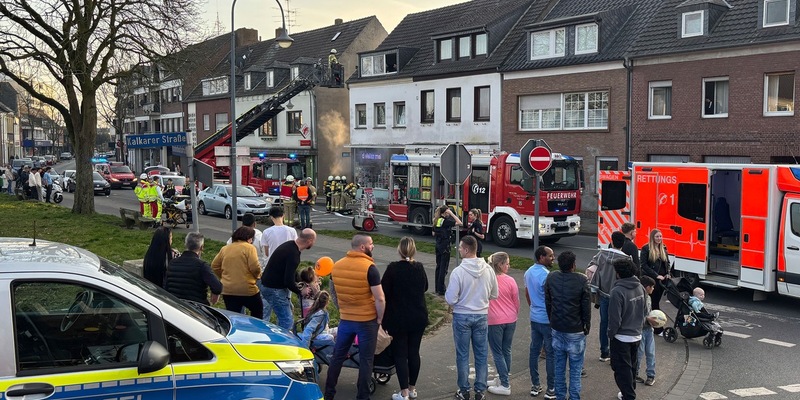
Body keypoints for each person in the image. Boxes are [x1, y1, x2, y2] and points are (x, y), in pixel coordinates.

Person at [325, 233, 386, 400]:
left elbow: (334, 292)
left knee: (337, 356)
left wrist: (342, 309)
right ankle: (362, 396)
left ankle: (329, 393)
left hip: (346, 320)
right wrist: (379, 318)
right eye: (371, 244)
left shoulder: (336, 266)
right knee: (366, 361)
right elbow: (380, 298)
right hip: (366, 321)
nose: (373, 246)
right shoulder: (370, 268)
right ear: (362, 247)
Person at [445, 235, 498, 400]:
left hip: (462, 315)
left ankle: (464, 389)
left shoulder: (458, 272)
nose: (458, 250)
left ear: (466, 250)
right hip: (481, 315)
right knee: (481, 354)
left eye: (460, 247)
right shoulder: (488, 270)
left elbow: (450, 299)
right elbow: (494, 294)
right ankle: (480, 390)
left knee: (462, 354)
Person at [382, 237, 429, 400]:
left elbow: (383, 291)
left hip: (398, 317)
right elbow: (425, 287)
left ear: (399, 250)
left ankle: (403, 393)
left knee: (400, 354)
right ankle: (412, 388)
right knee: (413, 353)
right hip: (418, 315)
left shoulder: (393, 269)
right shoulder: (419, 268)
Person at [545, 251, 591, 400]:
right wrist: (586, 326)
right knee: (575, 371)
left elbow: (548, 302)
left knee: (559, 368)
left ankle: (560, 397)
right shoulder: (582, 280)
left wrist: (552, 320)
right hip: (576, 330)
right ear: (573, 265)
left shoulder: (551, 277)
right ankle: (574, 397)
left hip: (558, 327)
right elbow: (586, 307)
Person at [261, 229, 317, 330]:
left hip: (268, 284)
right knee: (287, 321)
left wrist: (300, 281)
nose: (314, 243)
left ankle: (277, 334)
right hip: (274, 289)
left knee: (286, 312)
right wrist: (300, 291)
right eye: (314, 241)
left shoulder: (290, 245)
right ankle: (282, 343)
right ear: (309, 241)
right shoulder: (294, 255)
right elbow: (288, 280)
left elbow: (289, 271)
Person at [608, 258, 647, 400]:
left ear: (618, 274)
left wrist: (611, 334)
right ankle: (628, 392)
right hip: (637, 335)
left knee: (620, 369)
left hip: (621, 337)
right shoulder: (640, 287)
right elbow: (644, 310)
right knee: (631, 366)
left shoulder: (617, 291)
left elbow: (614, 319)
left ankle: (628, 395)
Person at [590, 231, 631, 362]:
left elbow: (591, 267)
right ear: (623, 244)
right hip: (619, 295)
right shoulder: (626, 259)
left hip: (603, 294)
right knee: (617, 324)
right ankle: (615, 353)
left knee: (604, 323)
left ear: (611, 241)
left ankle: (604, 352)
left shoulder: (602, 254)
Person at [524, 246, 556, 399]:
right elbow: (552, 299)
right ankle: (551, 388)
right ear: (541, 257)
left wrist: (533, 308)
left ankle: (535, 385)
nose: (553, 258)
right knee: (550, 354)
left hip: (534, 317)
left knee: (534, 351)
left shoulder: (528, 272)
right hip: (546, 320)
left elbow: (527, 293)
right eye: (550, 255)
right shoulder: (547, 276)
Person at [211, 226, 263, 319]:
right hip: (247, 289)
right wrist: (257, 276)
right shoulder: (250, 248)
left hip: (228, 290)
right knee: (257, 311)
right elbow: (254, 267)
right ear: (248, 238)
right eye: (251, 238)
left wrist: (224, 276)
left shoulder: (225, 248)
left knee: (233, 317)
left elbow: (215, 265)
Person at [486, 251, 519, 396]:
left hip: (494, 320)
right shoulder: (511, 280)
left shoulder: (488, 280)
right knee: (506, 350)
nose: (509, 266)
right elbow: (516, 301)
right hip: (511, 319)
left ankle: (505, 383)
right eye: (507, 263)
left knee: (497, 352)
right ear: (500, 265)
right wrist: (514, 314)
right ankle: (502, 377)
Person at [164, 232, 223, 305]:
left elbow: (166, 285)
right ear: (201, 247)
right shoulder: (202, 266)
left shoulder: (172, 263)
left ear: (185, 244)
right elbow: (217, 287)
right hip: (195, 306)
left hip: (175, 305)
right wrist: (215, 294)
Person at [640, 228, 670, 333]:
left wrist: (668, 274)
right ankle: (657, 328)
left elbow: (667, 263)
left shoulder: (664, 248)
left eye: (660, 236)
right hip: (651, 280)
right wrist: (656, 275)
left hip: (661, 281)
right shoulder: (646, 248)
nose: (659, 238)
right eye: (657, 236)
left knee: (655, 302)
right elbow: (643, 265)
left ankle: (654, 326)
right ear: (652, 237)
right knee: (654, 303)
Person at [433, 205, 463, 295]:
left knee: (438, 266)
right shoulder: (446, 221)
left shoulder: (437, 220)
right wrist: (452, 214)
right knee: (443, 268)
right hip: (445, 246)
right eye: (448, 212)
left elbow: (433, 232)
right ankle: (441, 289)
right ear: (445, 213)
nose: (448, 214)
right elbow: (460, 223)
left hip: (438, 245)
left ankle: (437, 288)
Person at [636, 276, 657, 387]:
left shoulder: (648, 297)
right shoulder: (639, 298)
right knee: (639, 354)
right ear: (647, 287)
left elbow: (649, 312)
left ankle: (650, 375)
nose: (653, 289)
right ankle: (635, 373)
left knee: (650, 353)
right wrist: (647, 319)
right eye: (652, 287)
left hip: (649, 329)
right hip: (640, 330)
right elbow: (636, 315)